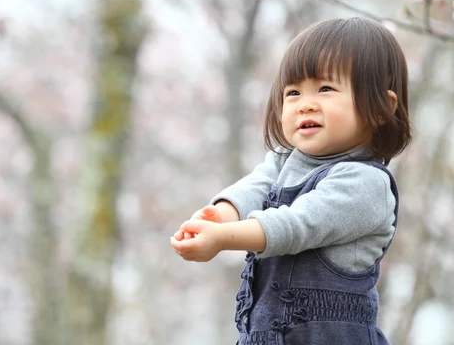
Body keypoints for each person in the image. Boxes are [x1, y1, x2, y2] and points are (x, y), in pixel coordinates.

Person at [170, 17, 412, 344]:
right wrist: (220, 215)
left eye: (326, 89)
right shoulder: (286, 162)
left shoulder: (366, 183)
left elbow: (296, 225)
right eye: (293, 92)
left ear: (381, 108)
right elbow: (255, 187)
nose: (306, 104)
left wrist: (223, 238)